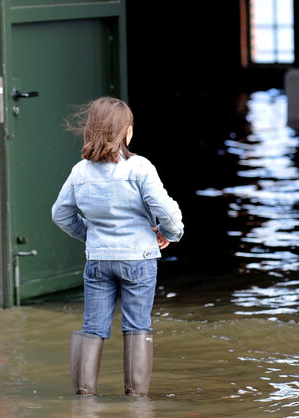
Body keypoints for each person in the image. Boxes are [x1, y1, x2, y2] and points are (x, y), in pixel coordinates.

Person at [51, 97, 184, 397]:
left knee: (93, 327)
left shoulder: (80, 171)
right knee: (137, 325)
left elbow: (60, 214)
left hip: (98, 259)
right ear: (126, 132)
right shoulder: (140, 168)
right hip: (139, 258)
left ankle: (84, 399)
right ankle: (136, 401)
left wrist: (91, 235)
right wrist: (168, 234)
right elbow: (168, 213)